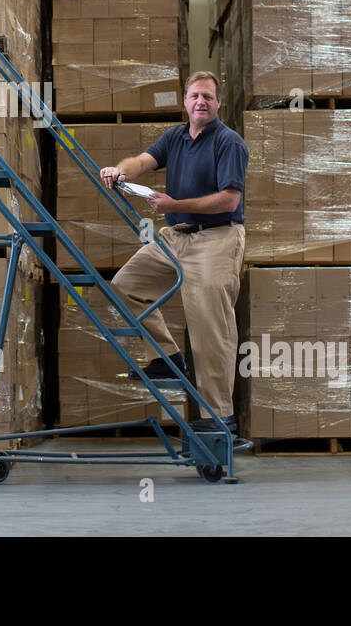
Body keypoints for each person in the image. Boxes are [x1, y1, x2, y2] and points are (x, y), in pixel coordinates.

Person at [98, 71, 247, 433]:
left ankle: (219, 417)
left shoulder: (228, 142)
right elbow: (143, 161)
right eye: (195, 96)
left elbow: (230, 199)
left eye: (208, 97)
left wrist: (175, 203)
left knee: (209, 329)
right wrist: (119, 170)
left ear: (218, 103)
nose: (201, 102)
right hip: (175, 237)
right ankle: (166, 357)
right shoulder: (176, 137)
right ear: (184, 101)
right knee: (125, 285)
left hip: (216, 238)